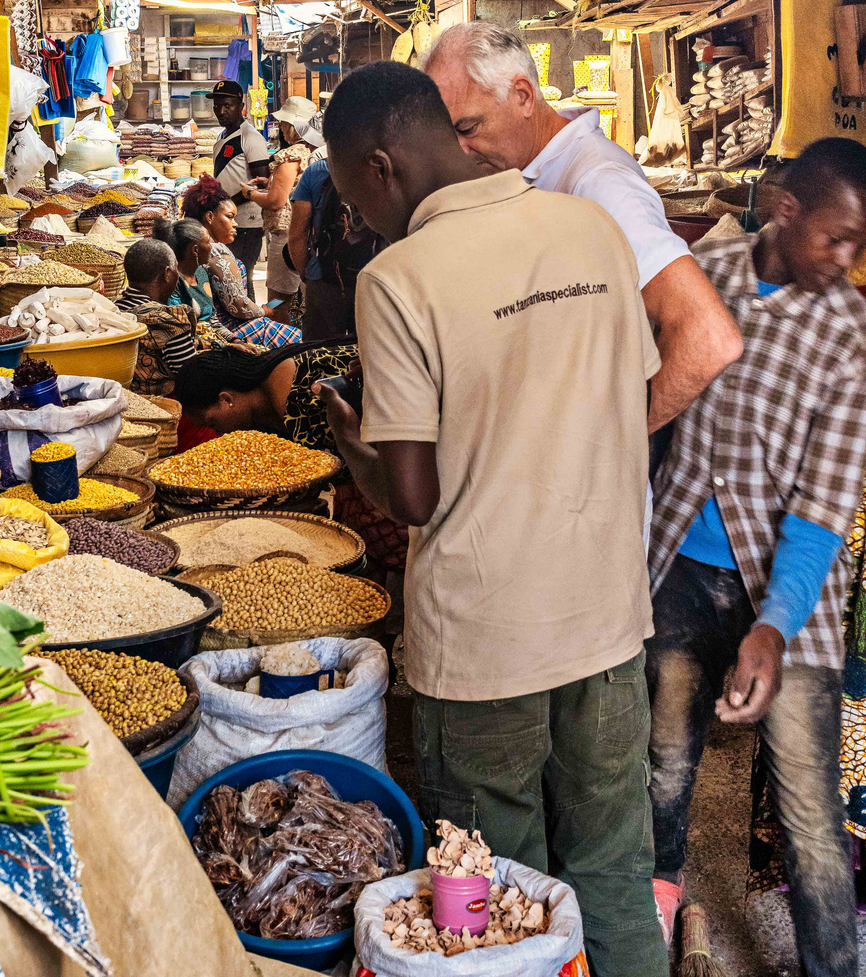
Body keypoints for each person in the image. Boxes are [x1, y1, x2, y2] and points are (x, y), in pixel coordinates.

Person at [315, 60, 666, 977]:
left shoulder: (396, 280)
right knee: (614, 871)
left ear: (381, 165)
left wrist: (354, 444)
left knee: (495, 898)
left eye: (352, 190)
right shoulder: (590, 229)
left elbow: (414, 498)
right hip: (606, 620)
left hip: (482, 648)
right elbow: (621, 398)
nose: (354, 215)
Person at [646, 138, 866, 973]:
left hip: (791, 593)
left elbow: (821, 510)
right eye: (833, 238)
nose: (843, 260)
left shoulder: (848, 337)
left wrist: (771, 626)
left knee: (808, 804)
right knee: (663, 767)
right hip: (681, 564)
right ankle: (653, 922)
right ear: (785, 212)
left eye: (857, 244)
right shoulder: (710, 273)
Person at [422, 22, 742, 434]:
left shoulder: (598, 181)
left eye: (468, 128)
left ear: (522, 96)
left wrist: (605, 449)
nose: (459, 150)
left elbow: (709, 336)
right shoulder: (533, 173)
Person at [174, 342, 410, 574]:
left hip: (402, 449)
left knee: (371, 529)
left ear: (226, 399)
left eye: (210, 423)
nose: (216, 434)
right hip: (379, 452)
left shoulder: (299, 398)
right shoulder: (270, 380)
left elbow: (353, 455)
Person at [181, 174, 301, 350]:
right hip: (232, 327)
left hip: (218, 326)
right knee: (299, 341)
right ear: (209, 217)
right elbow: (239, 307)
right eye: (230, 217)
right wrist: (266, 311)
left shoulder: (192, 246)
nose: (235, 224)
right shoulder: (216, 253)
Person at [240, 96, 322, 314]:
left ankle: (281, 337)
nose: (281, 127)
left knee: (278, 298)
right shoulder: (311, 152)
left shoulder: (290, 155)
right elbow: (292, 189)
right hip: (306, 233)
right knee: (301, 294)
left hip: (286, 236)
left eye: (284, 123)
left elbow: (276, 202)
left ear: (295, 126)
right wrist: (271, 183)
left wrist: (250, 193)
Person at [288, 158, 384, 341]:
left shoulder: (318, 170)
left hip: (325, 279)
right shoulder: (388, 168)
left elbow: (296, 235)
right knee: (368, 355)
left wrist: (307, 275)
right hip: (375, 281)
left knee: (319, 356)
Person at [117, 237, 224, 397]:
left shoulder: (115, 308)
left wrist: (213, 346)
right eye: (175, 270)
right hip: (164, 406)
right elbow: (192, 378)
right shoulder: (166, 320)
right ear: (167, 274)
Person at [205, 79, 270, 299]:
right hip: (229, 220)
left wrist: (229, 203)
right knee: (228, 278)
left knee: (240, 279)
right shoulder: (223, 135)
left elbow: (262, 183)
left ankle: (250, 327)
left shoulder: (250, 138)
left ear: (241, 104)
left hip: (247, 223)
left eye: (227, 106)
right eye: (217, 106)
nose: (220, 111)